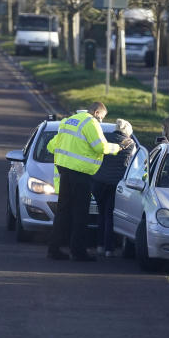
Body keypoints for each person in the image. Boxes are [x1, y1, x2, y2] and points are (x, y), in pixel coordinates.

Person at [46, 102, 132, 261]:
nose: (101, 120)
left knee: (63, 211)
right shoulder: (90, 122)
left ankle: (54, 249)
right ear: (97, 112)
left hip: (64, 171)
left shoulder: (69, 120)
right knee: (80, 214)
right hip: (81, 174)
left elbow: (51, 146)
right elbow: (100, 147)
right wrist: (119, 147)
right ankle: (78, 252)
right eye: (102, 117)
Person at [90, 119, 137, 257]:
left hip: (99, 181)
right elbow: (133, 165)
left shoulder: (105, 138)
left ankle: (99, 245)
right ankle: (109, 249)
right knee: (110, 215)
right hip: (115, 184)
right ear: (128, 132)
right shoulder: (131, 144)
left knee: (101, 213)